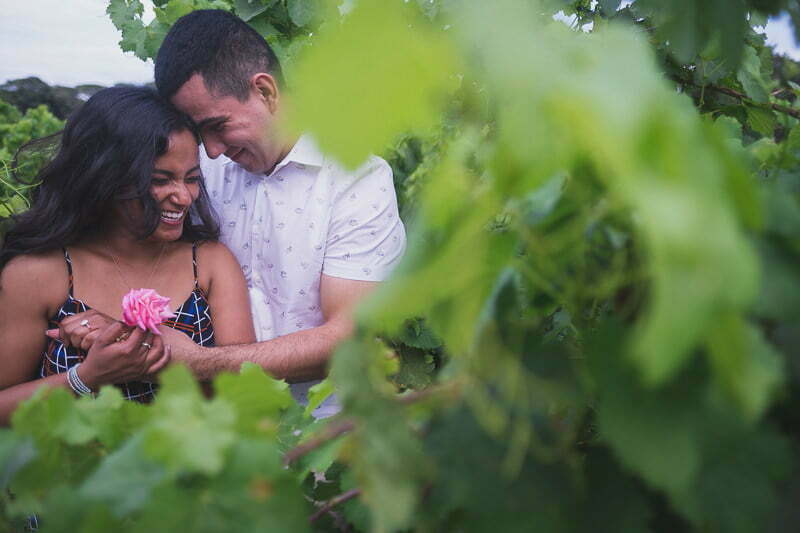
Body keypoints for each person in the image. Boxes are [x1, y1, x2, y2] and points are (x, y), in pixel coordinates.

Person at [53, 10, 406, 416]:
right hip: (214, 429)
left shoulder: (356, 178)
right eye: (201, 133)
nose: (213, 150)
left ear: (266, 91)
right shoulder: (193, 171)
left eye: (218, 126)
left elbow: (349, 338)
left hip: (322, 432)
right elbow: (140, 260)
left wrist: (201, 363)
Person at [0, 86, 255, 425]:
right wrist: (87, 377)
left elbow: (243, 397)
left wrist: (156, 357)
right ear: (105, 177)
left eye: (192, 179)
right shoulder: (39, 273)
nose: (183, 197)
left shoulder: (209, 263)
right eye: (161, 180)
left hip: (190, 473)